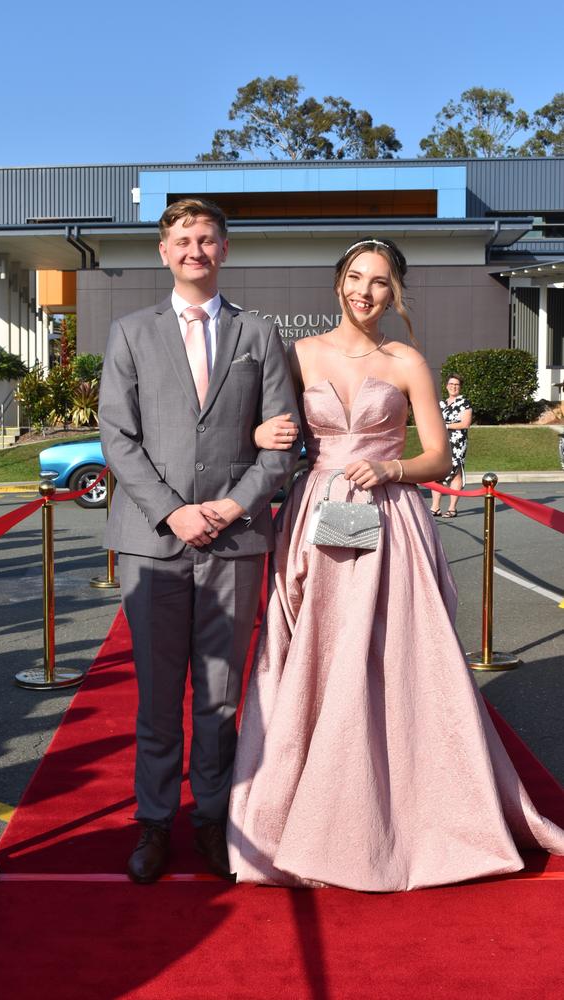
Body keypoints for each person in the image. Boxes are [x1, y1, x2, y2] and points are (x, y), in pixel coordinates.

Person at [227, 238, 564, 892]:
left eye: (380, 282)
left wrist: (392, 466)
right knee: (320, 658)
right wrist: (257, 437)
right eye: (356, 277)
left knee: (395, 662)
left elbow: (440, 456)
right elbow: (263, 431)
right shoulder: (298, 356)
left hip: (391, 522)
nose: (366, 291)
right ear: (337, 283)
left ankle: (407, 817)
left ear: (395, 293)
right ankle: (302, 813)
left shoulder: (407, 360)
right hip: (315, 522)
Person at [98, 197, 301, 885]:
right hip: (152, 542)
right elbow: (117, 439)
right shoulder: (130, 333)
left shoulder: (259, 335)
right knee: (158, 694)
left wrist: (228, 506)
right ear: (163, 252)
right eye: (183, 239)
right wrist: (172, 513)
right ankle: (154, 823)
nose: (196, 250)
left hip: (235, 541)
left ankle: (212, 822)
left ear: (225, 250)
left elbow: (282, 440)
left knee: (219, 695)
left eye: (208, 239)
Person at [430, 373, 472, 518]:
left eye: (457, 385)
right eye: (451, 384)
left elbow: (465, 424)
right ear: (447, 386)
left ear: (460, 387)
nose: (454, 387)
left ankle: (452, 508)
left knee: (455, 473)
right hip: (441, 442)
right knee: (437, 472)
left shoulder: (464, 402)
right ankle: (435, 507)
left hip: (457, 442)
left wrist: (445, 425)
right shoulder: (441, 404)